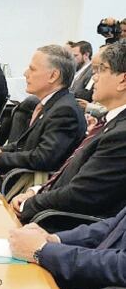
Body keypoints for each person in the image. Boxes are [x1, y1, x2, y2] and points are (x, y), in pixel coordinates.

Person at [12, 43, 126, 229]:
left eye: (101, 70)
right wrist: (35, 191)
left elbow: (82, 193)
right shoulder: (109, 123)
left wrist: (31, 203)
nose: (94, 78)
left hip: (66, 227)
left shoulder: (121, 134)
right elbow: (71, 174)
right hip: (51, 209)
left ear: (123, 80)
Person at [0, 45, 85, 179]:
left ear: (53, 75)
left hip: (32, 185)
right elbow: (25, 145)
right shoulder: (52, 104)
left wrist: (0, 157)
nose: (25, 73)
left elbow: (43, 158)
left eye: (32, 69)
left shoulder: (65, 110)